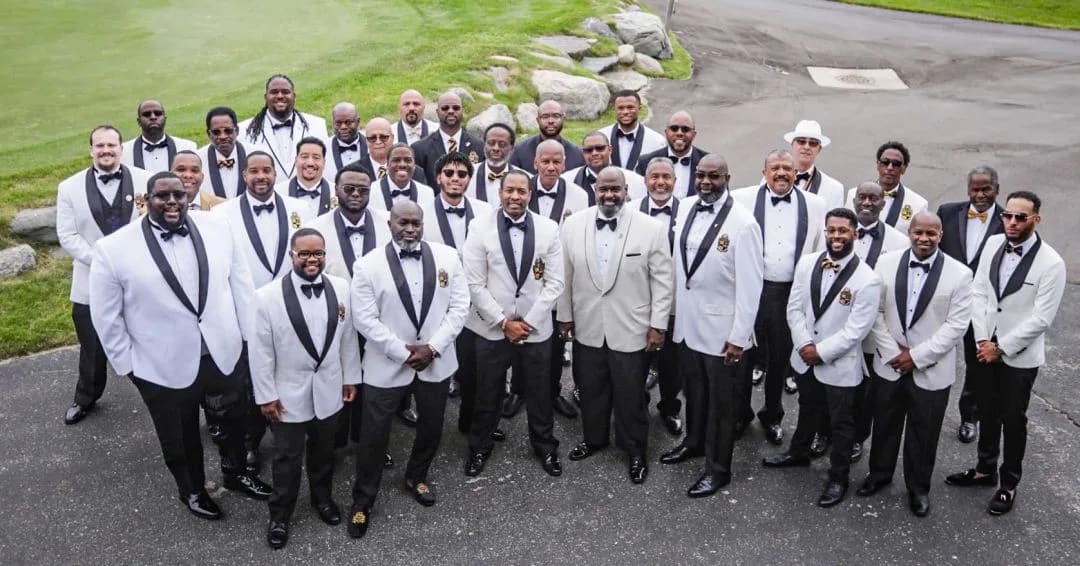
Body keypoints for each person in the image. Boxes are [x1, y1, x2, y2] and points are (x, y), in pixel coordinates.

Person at [88, 172, 271, 520]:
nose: (172, 202)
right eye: (162, 196)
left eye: (178, 195)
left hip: (222, 352)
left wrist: (248, 340)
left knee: (234, 421)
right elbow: (106, 316)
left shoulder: (218, 227)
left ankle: (236, 474)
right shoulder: (112, 249)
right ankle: (192, 490)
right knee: (179, 434)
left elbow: (241, 285)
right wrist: (129, 367)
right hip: (160, 365)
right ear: (147, 200)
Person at [348, 201, 469, 538]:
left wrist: (433, 348)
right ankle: (362, 501)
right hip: (386, 365)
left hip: (436, 361)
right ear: (390, 223)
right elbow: (364, 319)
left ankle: (417, 476)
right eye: (403, 222)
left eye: (416, 223)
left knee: (431, 427)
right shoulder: (367, 265)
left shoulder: (448, 257)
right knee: (374, 436)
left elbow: (460, 307)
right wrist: (402, 353)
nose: (410, 229)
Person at [945, 191, 1065, 516]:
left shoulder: (1052, 263)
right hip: (985, 348)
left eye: (1020, 217)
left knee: (1013, 419)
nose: (1011, 222)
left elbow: (1042, 318)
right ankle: (984, 469)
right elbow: (979, 292)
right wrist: (983, 340)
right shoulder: (994, 243)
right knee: (987, 410)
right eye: (1007, 215)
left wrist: (1000, 348)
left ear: (1036, 219)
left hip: (1018, 357)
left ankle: (1009, 483)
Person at [558, 167, 674, 485]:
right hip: (588, 325)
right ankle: (594, 439)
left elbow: (663, 282)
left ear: (626, 191)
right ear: (595, 190)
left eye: (615, 190)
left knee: (630, 394)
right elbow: (565, 275)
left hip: (632, 327)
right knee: (590, 389)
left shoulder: (651, 228)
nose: (609, 195)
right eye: (603, 189)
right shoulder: (573, 225)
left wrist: (658, 325)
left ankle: (635, 450)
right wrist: (565, 316)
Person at [250, 228, 362, 548]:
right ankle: (280, 515)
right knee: (286, 457)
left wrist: (350, 378)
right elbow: (260, 352)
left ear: (325, 255)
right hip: (287, 394)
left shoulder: (341, 287)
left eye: (318, 253)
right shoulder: (266, 297)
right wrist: (266, 396)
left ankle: (322, 499)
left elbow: (348, 338)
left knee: (324, 452)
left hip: (329, 389)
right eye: (304, 254)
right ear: (292, 256)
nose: (312, 259)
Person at [762, 208, 881, 509]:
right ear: (825, 232)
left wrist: (821, 352)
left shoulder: (868, 279)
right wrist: (804, 344)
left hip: (838, 364)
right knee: (807, 407)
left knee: (841, 423)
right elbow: (794, 308)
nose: (837, 236)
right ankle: (798, 452)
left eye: (843, 231)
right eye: (832, 230)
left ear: (855, 234)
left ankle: (838, 477)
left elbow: (857, 330)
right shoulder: (807, 263)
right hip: (804, 356)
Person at [661, 154, 764, 498]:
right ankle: (693, 442)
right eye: (701, 175)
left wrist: (739, 337)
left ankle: (718, 470)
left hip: (723, 333)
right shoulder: (687, 206)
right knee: (695, 392)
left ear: (727, 178)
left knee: (722, 405)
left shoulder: (744, 224)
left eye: (714, 176)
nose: (706, 182)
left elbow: (751, 288)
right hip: (689, 325)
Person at [858, 212, 973, 517]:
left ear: (940, 236)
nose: (924, 238)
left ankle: (918, 488)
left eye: (931, 234)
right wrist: (891, 351)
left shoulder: (960, 274)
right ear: (909, 232)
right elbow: (875, 311)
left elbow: (956, 326)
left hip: (931, 370)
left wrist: (916, 357)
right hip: (890, 363)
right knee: (884, 423)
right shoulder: (886, 263)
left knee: (924, 432)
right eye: (919, 232)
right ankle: (879, 475)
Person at [461, 170, 564, 477]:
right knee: (487, 391)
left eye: (522, 191)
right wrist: (503, 322)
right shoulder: (479, 227)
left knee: (539, 392)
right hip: (492, 327)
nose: (515, 196)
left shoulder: (549, 228)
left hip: (536, 328)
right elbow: (474, 283)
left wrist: (528, 323)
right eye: (510, 191)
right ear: (500, 192)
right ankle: (479, 447)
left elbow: (555, 283)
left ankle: (545, 446)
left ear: (530, 194)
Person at [214, 151, 313, 470]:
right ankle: (250, 442)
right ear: (244, 175)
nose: (261, 176)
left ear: (275, 173)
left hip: (290, 309)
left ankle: (293, 434)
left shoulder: (300, 208)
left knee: (291, 373)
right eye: (254, 171)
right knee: (251, 382)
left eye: (266, 170)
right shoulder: (222, 214)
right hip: (248, 312)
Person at [57, 125, 151, 425]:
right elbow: (67, 235)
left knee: (150, 336)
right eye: (100, 146)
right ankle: (86, 396)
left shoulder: (145, 180)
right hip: (90, 279)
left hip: (138, 276)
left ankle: (159, 390)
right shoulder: (68, 187)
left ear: (121, 148)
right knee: (92, 344)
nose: (106, 150)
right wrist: (99, 261)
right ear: (91, 150)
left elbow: (151, 223)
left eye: (111, 145)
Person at [731, 149, 826, 444]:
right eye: (775, 168)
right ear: (764, 173)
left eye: (787, 167)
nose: (781, 172)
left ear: (795, 173)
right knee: (743, 355)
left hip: (789, 293)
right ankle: (740, 413)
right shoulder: (742, 199)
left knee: (779, 358)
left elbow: (819, 250)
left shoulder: (816, 204)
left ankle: (772, 415)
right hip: (751, 290)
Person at [304, 163, 392, 461]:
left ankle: (370, 443)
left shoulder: (388, 222)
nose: (356, 194)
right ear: (336, 190)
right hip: (334, 321)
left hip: (378, 320)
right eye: (349, 189)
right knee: (336, 381)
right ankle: (334, 443)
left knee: (374, 386)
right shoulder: (315, 228)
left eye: (363, 190)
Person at [502, 140, 589, 420]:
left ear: (564, 164)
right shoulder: (521, 189)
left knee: (554, 343)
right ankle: (518, 390)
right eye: (545, 161)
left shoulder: (579, 195)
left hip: (559, 279)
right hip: (524, 280)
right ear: (535, 163)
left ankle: (551, 392)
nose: (551, 167)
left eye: (556, 162)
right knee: (520, 338)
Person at [937, 165, 1004, 444]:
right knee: (933, 353)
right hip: (945, 302)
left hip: (981, 306)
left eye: (986, 189)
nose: (980, 195)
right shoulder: (947, 212)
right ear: (968, 190)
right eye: (975, 189)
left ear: (997, 189)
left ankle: (969, 416)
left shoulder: (1007, 220)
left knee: (977, 364)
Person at [421, 152, 494, 401]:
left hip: (477, 288)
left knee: (476, 347)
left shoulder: (486, 211)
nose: (455, 178)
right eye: (449, 173)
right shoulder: (423, 213)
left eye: (462, 174)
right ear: (438, 177)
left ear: (469, 179)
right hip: (439, 288)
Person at [847, 180, 909, 461]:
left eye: (874, 198)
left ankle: (858, 437)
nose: (867, 203)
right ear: (854, 200)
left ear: (883, 203)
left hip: (874, 328)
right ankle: (824, 432)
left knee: (867, 390)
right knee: (832, 383)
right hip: (839, 323)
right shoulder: (840, 230)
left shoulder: (899, 241)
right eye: (862, 197)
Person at [630, 157, 683, 435]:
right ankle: (638, 407)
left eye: (666, 177)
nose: (660, 182)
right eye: (654, 177)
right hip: (636, 300)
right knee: (636, 360)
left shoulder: (688, 212)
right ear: (645, 180)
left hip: (673, 302)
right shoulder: (629, 211)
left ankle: (670, 408)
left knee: (671, 363)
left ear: (675, 181)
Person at [238, 74, 329, 180]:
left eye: (285, 92)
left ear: (294, 96)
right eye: (274, 92)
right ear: (265, 97)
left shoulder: (317, 125)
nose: (280, 96)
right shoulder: (245, 130)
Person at [845, 141, 927, 233]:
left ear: (904, 168)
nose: (890, 168)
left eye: (896, 164)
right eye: (885, 162)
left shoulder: (918, 204)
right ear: (878, 165)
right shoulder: (853, 194)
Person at [410, 91, 483, 184]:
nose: (451, 111)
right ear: (437, 112)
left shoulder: (479, 146)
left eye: (456, 108)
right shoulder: (419, 149)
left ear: (462, 111)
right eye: (445, 108)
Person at [634, 111, 708, 199]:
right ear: (666, 132)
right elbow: (638, 195)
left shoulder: (707, 163)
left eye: (685, 129)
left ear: (694, 134)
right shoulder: (645, 162)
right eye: (674, 128)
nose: (679, 133)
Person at [562, 131, 647, 204]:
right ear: (583, 153)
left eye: (600, 148)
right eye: (589, 150)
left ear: (610, 150)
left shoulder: (633, 180)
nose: (594, 153)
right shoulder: (567, 180)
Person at [781, 120, 845, 210]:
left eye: (813, 143)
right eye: (801, 141)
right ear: (792, 144)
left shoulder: (834, 189)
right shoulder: (772, 179)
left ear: (819, 149)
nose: (806, 147)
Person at [509, 100, 585, 174]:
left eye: (556, 116)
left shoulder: (578, 155)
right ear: (538, 120)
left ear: (563, 119)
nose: (550, 121)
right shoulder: (519, 152)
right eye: (545, 117)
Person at [121, 100, 197, 174]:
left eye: (158, 113)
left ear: (165, 119)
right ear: (139, 121)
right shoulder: (124, 151)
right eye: (147, 114)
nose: (153, 117)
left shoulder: (187, 147)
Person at [605, 90, 666, 171]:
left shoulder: (657, 141)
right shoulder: (602, 136)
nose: (625, 112)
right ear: (614, 110)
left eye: (630, 107)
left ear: (639, 109)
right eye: (620, 108)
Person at [274, 137, 335, 218]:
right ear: (296, 160)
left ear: (324, 162)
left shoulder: (337, 192)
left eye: (316, 158)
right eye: (305, 157)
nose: (310, 163)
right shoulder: (277, 192)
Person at [466, 123, 526, 204]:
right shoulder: (467, 175)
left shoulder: (525, 179)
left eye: (502, 144)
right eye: (491, 143)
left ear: (511, 149)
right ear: (484, 145)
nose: (496, 148)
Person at [199, 106, 248, 200]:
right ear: (209, 134)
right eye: (216, 132)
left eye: (228, 131)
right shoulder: (198, 160)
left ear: (237, 130)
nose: (223, 136)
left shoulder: (254, 154)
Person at [369, 144, 436, 212]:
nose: (402, 164)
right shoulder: (371, 190)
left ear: (414, 165)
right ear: (387, 165)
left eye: (408, 160)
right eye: (396, 160)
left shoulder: (427, 193)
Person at [324, 102, 367, 183]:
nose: (343, 127)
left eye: (348, 122)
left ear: (358, 121)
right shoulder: (324, 149)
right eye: (338, 123)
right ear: (333, 123)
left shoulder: (371, 142)